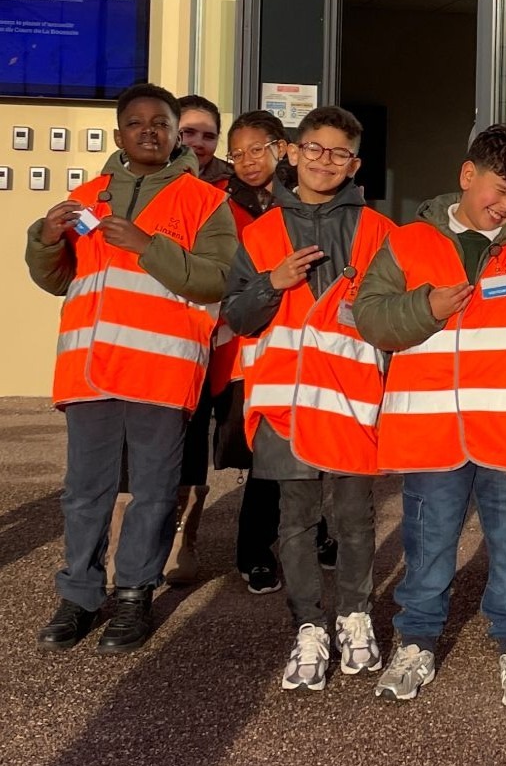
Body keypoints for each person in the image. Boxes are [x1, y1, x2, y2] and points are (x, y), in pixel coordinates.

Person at [353, 124, 506, 708]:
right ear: (467, 175)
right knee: (427, 542)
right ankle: (416, 641)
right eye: (500, 189)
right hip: (431, 430)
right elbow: (371, 317)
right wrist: (426, 306)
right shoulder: (409, 241)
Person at [26, 84, 237, 654]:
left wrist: (148, 245)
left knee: (153, 493)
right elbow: (57, 277)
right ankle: (79, 597)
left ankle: (133, 594)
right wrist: (44, 239)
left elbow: (219, 279)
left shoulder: (204, 201)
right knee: (84, 493)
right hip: (90, 371)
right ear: (119, 134)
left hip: (160, 372)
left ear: (174, 135)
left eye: (161, 123)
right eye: (137, 122)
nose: (149, 130)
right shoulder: (85, 197)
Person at [220, 105, 394, 692]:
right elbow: (238, 317)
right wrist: (272, 283)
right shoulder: (260, 234)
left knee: (354, 518)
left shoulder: (378, 232)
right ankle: (309, 627)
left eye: (339, 153)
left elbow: (397, 319)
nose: (325, 161)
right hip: (286, 402)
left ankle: (355, 615)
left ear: (355, 164)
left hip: (352, 400)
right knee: (295, 521)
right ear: (291, 153)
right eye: (314, 149)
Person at [206, 110, 290, 594]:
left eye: (257, 149)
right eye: (237, 154)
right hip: (244, 347)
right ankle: (254, 549)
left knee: (308, 447)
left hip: (301, 345)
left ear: (281, 147)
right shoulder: (220, 203)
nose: (247, 161)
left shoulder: (310, 197)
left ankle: (316, 531)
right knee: (264, 455)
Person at [177, 94, 232, 186]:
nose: (198, 143)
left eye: (209, 136)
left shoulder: (235, 184)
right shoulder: (150, 179)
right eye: (188, 132)